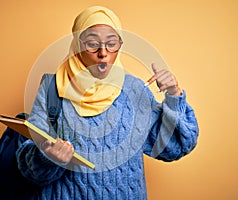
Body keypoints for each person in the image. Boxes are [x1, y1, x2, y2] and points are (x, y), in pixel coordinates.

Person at [16, 5, 199, 199]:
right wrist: (48, 158)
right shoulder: (51, 89)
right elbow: (28, 170)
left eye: (111, 43)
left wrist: (173, 95)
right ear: (78, 46)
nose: (103, 52)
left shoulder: (134, 90)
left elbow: (175, 148)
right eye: (92, 43)